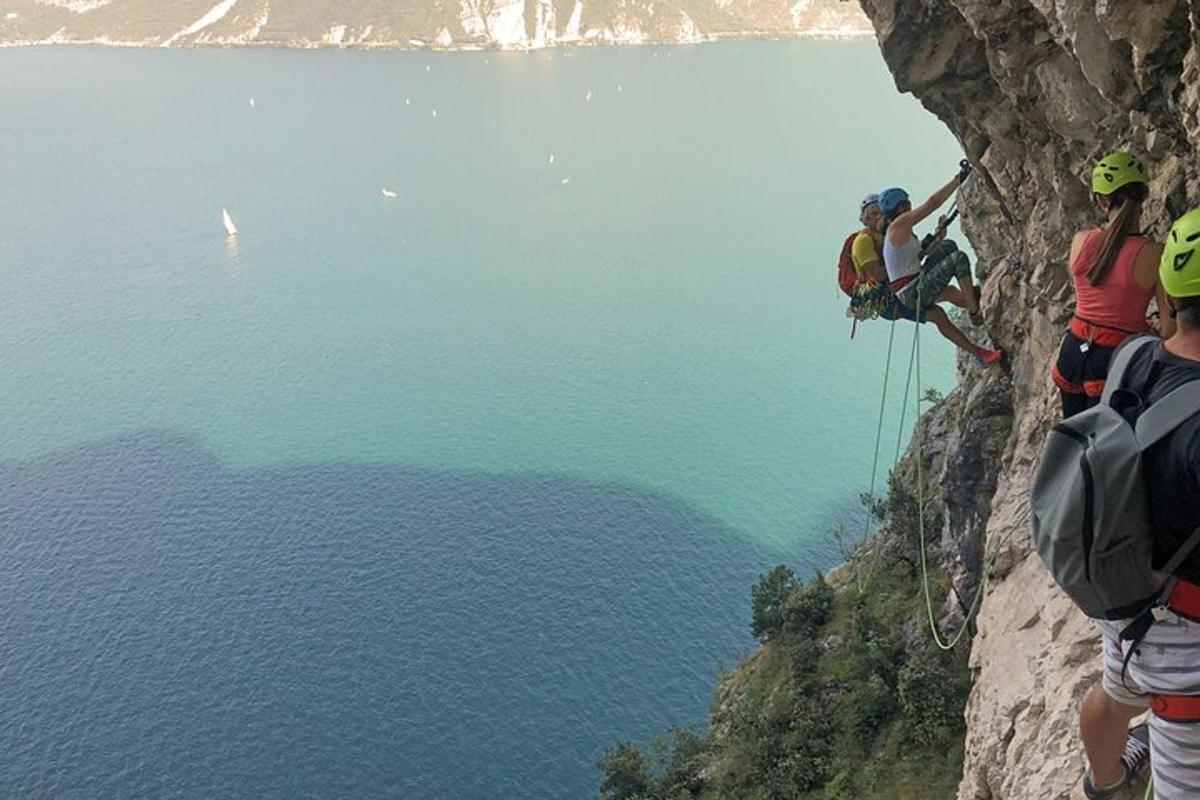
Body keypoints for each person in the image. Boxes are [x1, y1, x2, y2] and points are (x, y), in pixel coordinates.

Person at [1077, 206, 1200, 800]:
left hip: (1125, 591)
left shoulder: (1137, 357)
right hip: (1186, 645)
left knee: (1116, 691)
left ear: (1170, 294)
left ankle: (1105, 782)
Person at [1052, 151, 1174, 418]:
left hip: (1073, 351)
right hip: (1117, 361)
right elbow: (1169, 330)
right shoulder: (1155, 254)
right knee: (1108, 448)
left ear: (1101, 200)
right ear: (1143, 196)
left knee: (1074, 439)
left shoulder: (1080, 241)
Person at [879, 167, 1003, 365]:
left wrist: (939, 235)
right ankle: (974, 311)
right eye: (908, 203)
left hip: (912, 287)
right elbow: (932, 203)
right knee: (958, 258)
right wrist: (957, 180)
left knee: (948, 247)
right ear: (902, 206)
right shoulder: (899, 225)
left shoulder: (899, 232)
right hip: (913, 291)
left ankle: (980, 343)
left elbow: (920, 255)